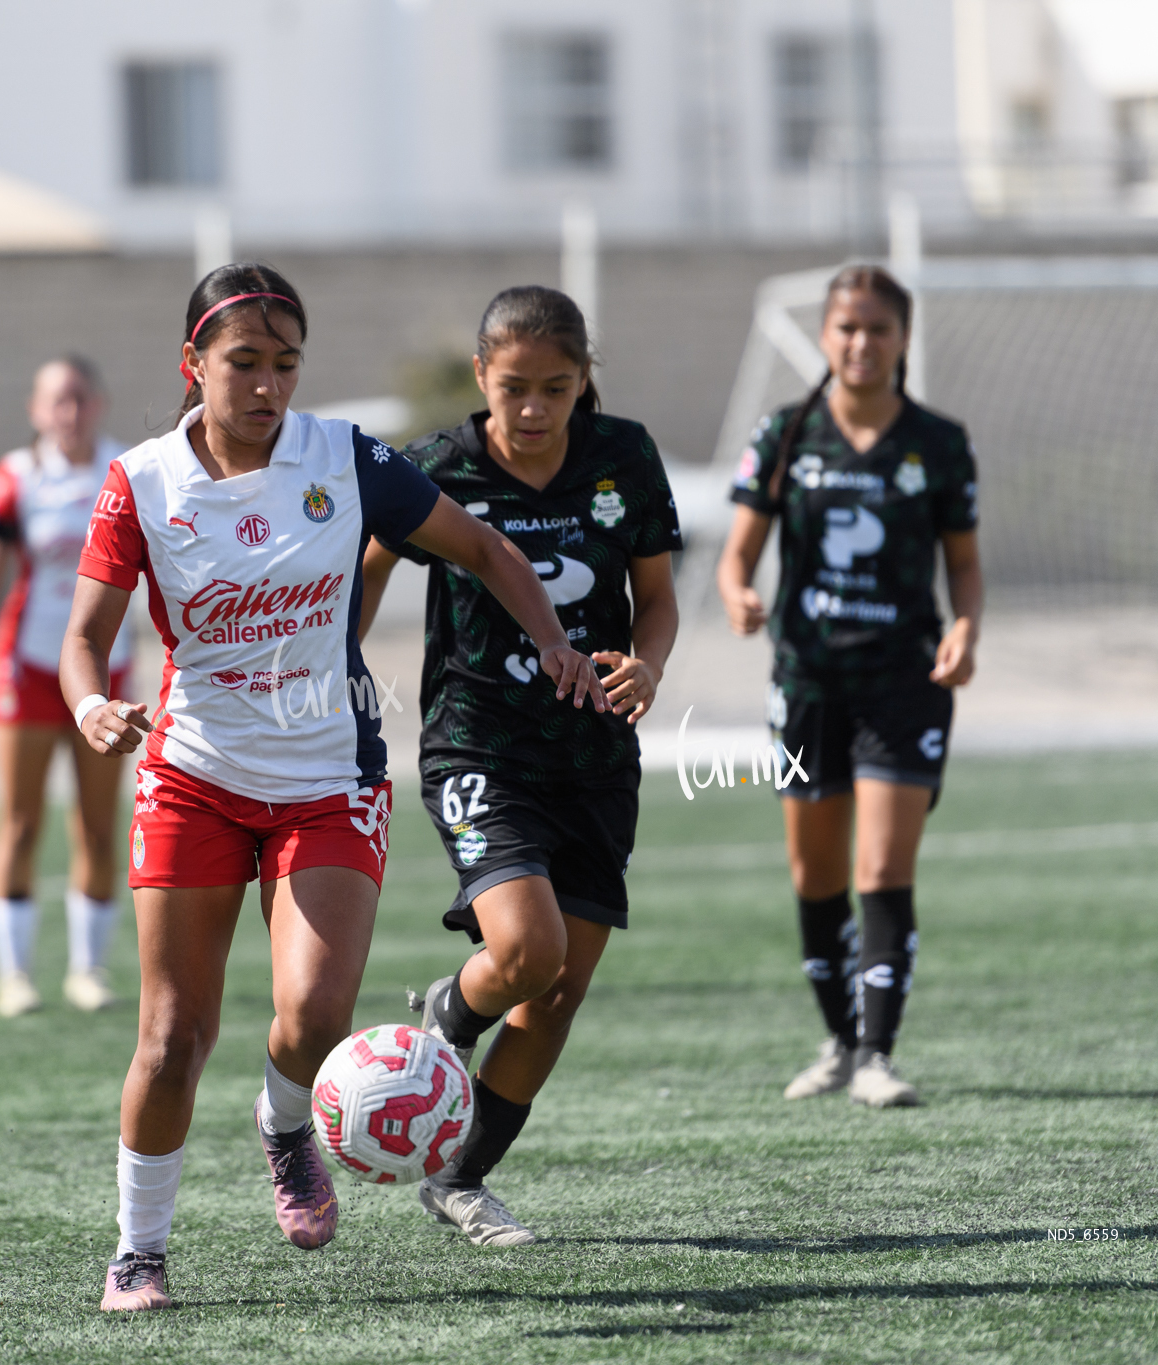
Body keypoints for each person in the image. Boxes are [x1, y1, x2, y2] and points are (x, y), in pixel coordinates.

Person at [63, 263, 608, 1311]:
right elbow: (81, 643)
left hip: (328, 777)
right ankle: (139, 1251)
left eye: (284, 364)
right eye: (242, 364)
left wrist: (550, 642)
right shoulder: (140, 482)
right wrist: (93, 707)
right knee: (172, 1036)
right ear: (193, 367)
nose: (266, 386)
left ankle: (283, 1125)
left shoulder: (343, 458)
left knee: (313, 1018)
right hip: (193, 777)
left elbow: (482, 549)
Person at [359, 285, 681, 1246]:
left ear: (585, 380)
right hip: (478, 743)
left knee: (552, 995)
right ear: (480, 379)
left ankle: (459, 1179)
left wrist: (650, 664)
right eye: (514, 388)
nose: (534, 408)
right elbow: (372, 558)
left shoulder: (625, 455)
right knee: (528, 948)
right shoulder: (440, 467)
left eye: (556, 386)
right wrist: (339, 661)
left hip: (594, 756)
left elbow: (655, 595)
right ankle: (448, 1019)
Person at [714, 264, 983, 1109]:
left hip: (903, 684)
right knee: (813, 870)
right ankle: (836, 1040)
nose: (861, 343)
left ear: (903, 340)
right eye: (847, 328)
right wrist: (737, 593)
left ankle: (876, 1053)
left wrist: (967, 627)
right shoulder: (786, 434)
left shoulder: (938, 442)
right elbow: (737, 553)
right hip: (806, 681)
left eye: (879, 328)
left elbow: (964, 567)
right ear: (827, 336)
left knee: (881, 866)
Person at [0, 356, 136, 1018]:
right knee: (20, 821)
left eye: (79, 398)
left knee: (99, 825)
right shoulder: (15, 478)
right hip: (25, 670)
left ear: (98, 404)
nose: (69, 412)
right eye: (56, 400)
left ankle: (88, 968)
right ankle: (15, 973)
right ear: (35, 410)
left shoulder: (127, 471)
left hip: (106, 675)